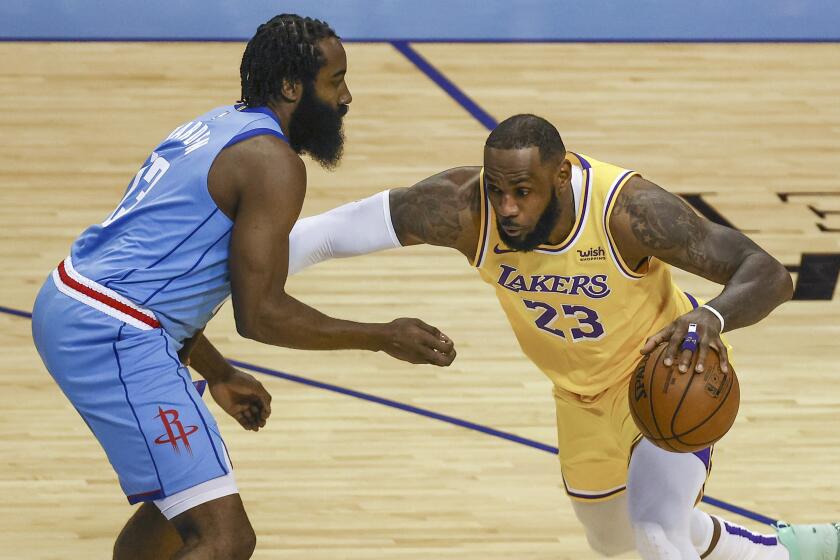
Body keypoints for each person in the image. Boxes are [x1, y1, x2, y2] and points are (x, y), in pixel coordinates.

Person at [287, 114, 839, 560]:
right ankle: (787, 549)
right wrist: (232, 263)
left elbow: (767, 273)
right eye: (497, 188)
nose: (506, 207)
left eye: (522, 191)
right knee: (611, 539)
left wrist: (710, 318)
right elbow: (333, 234)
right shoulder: (462, 209)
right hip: (579, 397)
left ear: (561, 175)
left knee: (655, 533)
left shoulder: (628, 212)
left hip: (665, 372)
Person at [30, 14, 455, 560]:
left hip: (79, 298)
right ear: (290, 87)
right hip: (112, 331)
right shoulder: (273, 163)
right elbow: (260, 315)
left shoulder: (217, 125)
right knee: (224, 538)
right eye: (336, 80)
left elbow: (166, 287)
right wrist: (381, 335)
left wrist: (221, 373)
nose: (347, 96)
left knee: (179, 502)